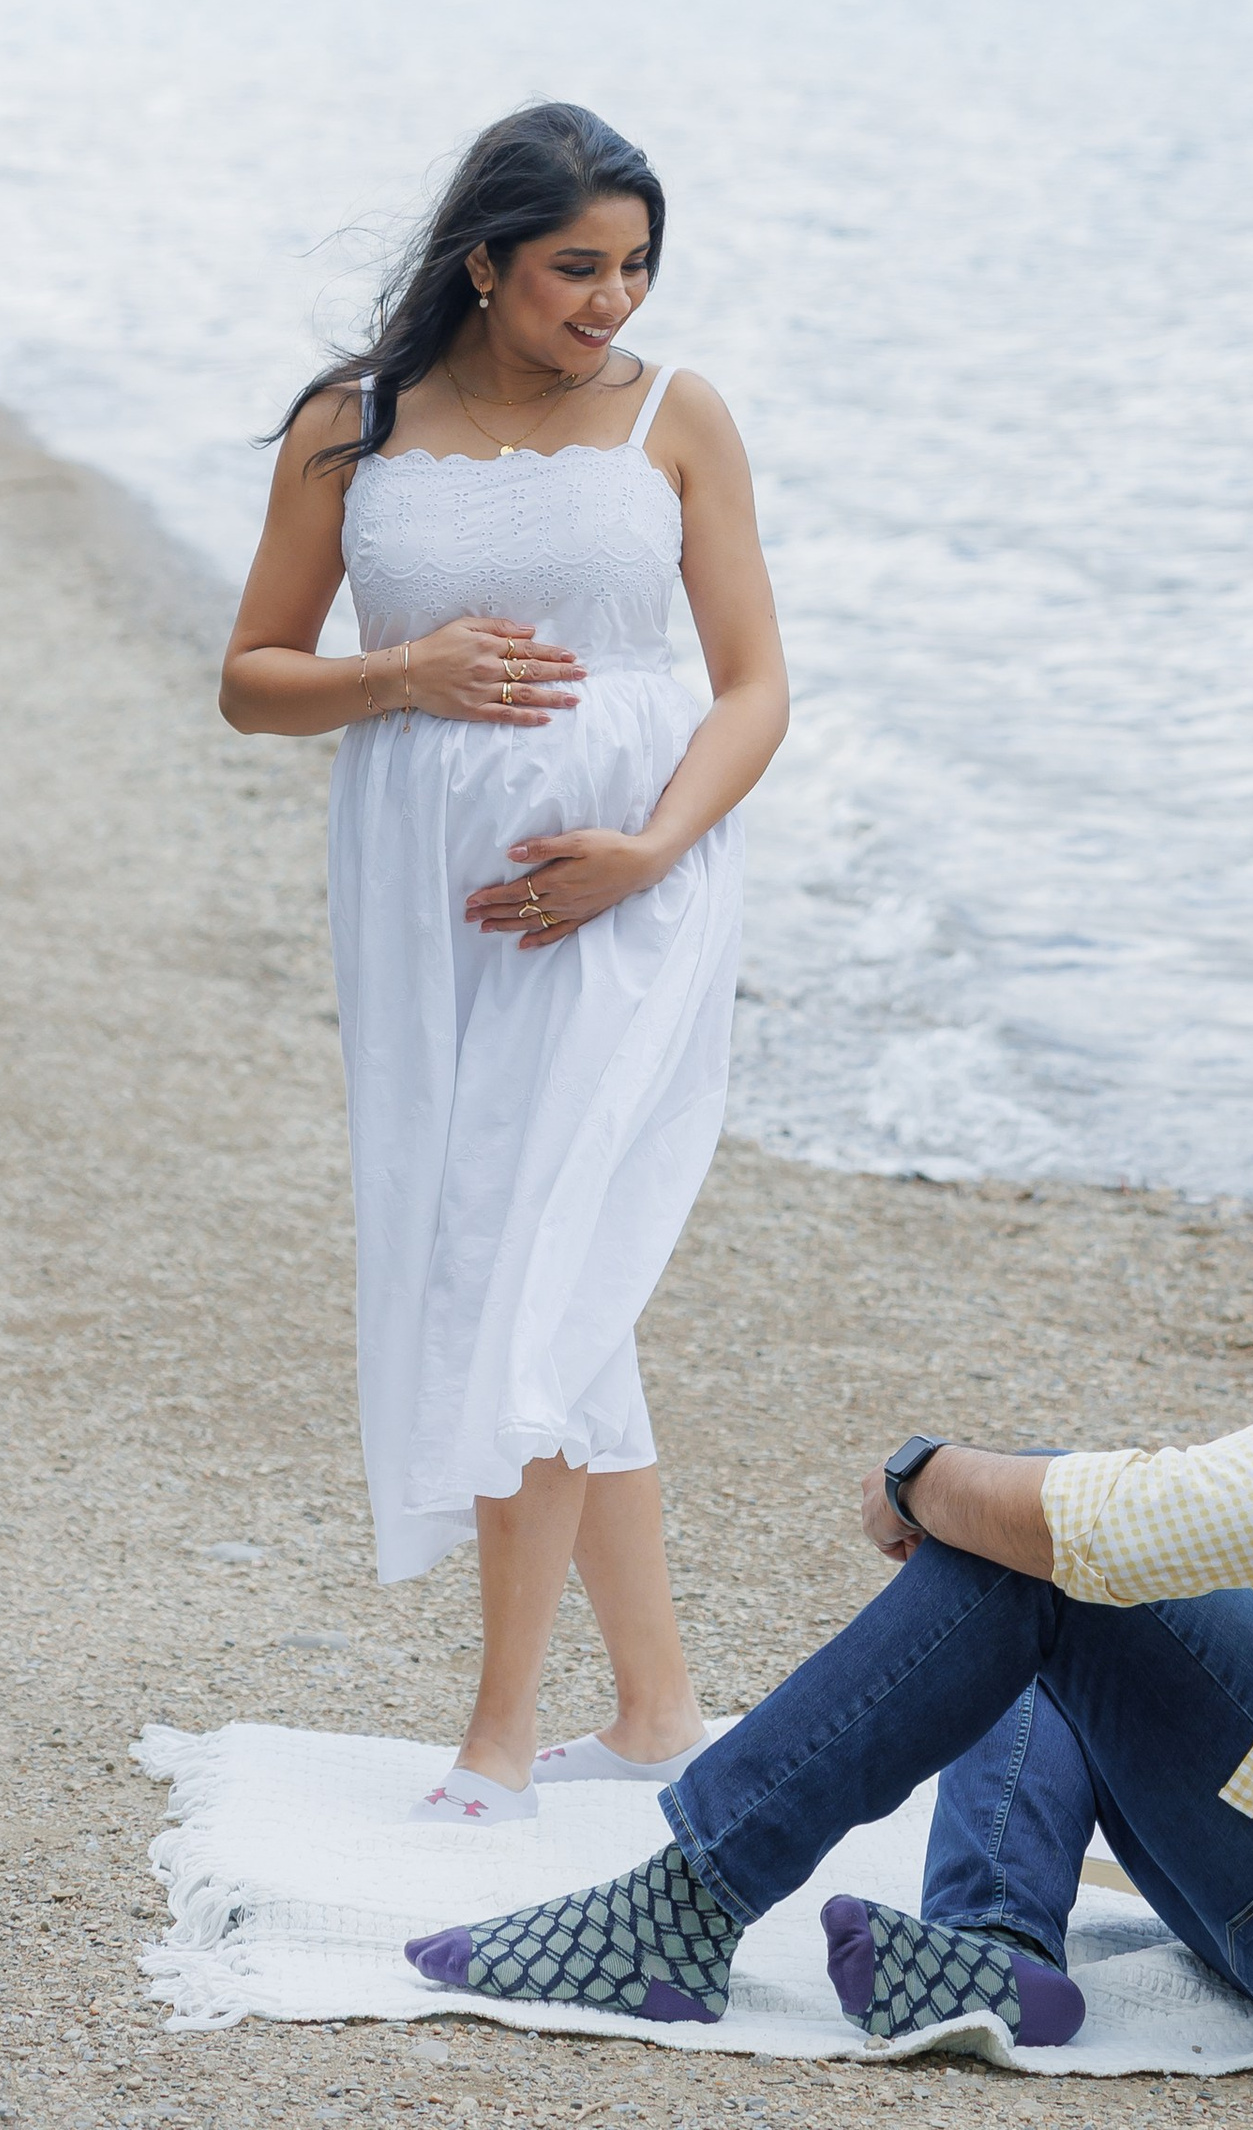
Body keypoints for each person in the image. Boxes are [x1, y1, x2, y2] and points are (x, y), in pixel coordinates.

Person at [402, 910, 1253, 2076]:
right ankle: (996, 1953)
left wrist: (919, 1481)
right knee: (1047, 1517)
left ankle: (681, 1908)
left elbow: (1126, 1531)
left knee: (1040, 1533)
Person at [220, 100, 789, 1822]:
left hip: (634, 894)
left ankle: (499, 1737)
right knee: (533, 1265)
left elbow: (756, 685)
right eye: (573, 271)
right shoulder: (355, 426)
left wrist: (645, 851)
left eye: (633, 268)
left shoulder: (675, 418)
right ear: (484, 261)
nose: (610, 302)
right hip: (423, 911)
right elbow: (253, 675)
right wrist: (404, 675)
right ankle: (660, 1712)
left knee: (524, 1276)